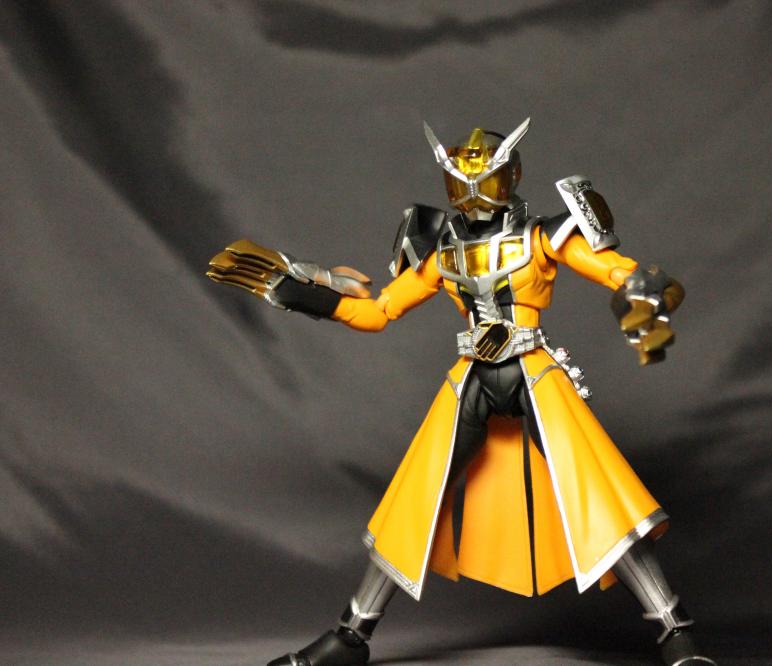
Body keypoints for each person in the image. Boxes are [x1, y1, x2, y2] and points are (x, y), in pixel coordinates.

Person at [207, 119, 714, 666]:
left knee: (596, 491)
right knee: (415, 498)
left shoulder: (543, 236)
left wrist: (647, 299)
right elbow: (377, 312)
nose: (471, 191)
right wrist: (292, 290)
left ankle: (675, 632)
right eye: (460, 179)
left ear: (509, 176)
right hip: (473, 376)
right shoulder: (439, 247)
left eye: (484, 177)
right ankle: (350, 637)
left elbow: (623, 272)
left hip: (532, 371)